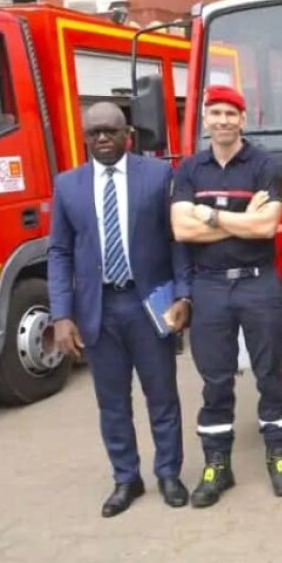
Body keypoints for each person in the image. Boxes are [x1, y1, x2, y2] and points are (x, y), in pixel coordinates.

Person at [47, 102, 192, 517]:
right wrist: (61, 315)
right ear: (85, 138)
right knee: (112, 402)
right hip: (98, 309)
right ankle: (126, 478)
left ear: (128, 134)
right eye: (94, 133)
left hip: (150, 304)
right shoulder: (68, 185)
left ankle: (168, 472)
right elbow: (58, 251)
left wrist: (184, 295)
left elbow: (175, 239)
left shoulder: (157, 175)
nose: (103, 139)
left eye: (111, 131)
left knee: (161, 396)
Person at [171, 85, 282, 507]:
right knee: (216, 381)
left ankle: (279, 458)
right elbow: (181, 230)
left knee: (271, 376)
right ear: (205, 119)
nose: (223, 120)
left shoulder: (264, 165)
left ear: (243, 119)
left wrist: (208, 214)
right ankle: (216, 467)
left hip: (258, 283)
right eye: (216, 113)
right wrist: (241, 217)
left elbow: (266, 229)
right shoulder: (190, 169)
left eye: (231, 113)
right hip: (208, 285)